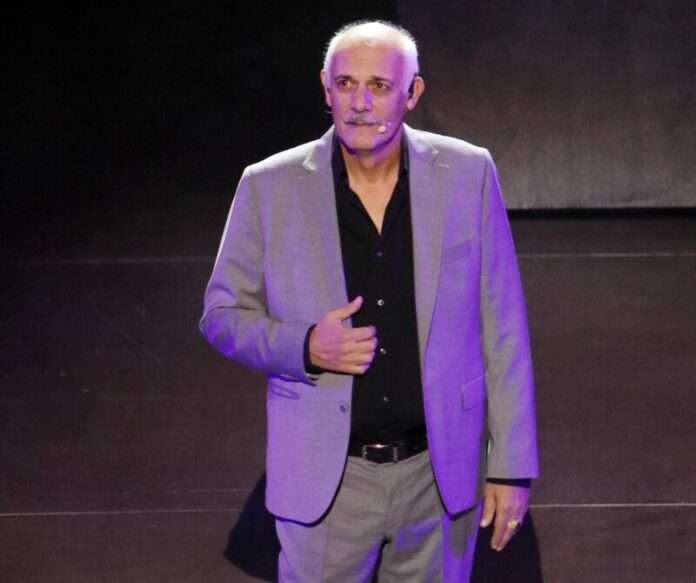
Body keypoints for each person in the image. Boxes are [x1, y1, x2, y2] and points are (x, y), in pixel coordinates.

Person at [200, 20, 538, 582]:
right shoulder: (269, 185)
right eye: (346, 84)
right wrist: (306, 346)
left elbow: (503, 328)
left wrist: (510, 467)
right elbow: (221, 315)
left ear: (412, 93)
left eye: (379, 86)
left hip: (439, 474)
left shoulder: (468, 174)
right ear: (325, 88)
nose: (360, 103)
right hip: (328, 480)